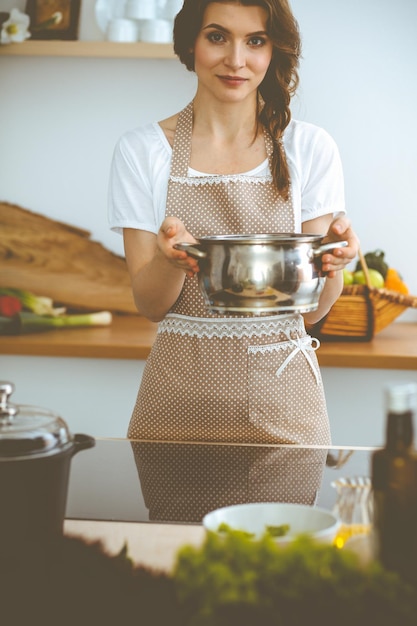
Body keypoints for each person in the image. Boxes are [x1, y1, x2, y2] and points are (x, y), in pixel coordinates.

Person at [108, 0, 359, 446]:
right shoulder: (142, 150)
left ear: (273, 50)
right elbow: (151, 306)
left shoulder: (309, 148)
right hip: (176, 410)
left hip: (286, 409)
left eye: (255, 41)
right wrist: (172, 261)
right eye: (218, 36)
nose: (236, 60)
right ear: (191, 42)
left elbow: (313, 311)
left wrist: (334, 265)